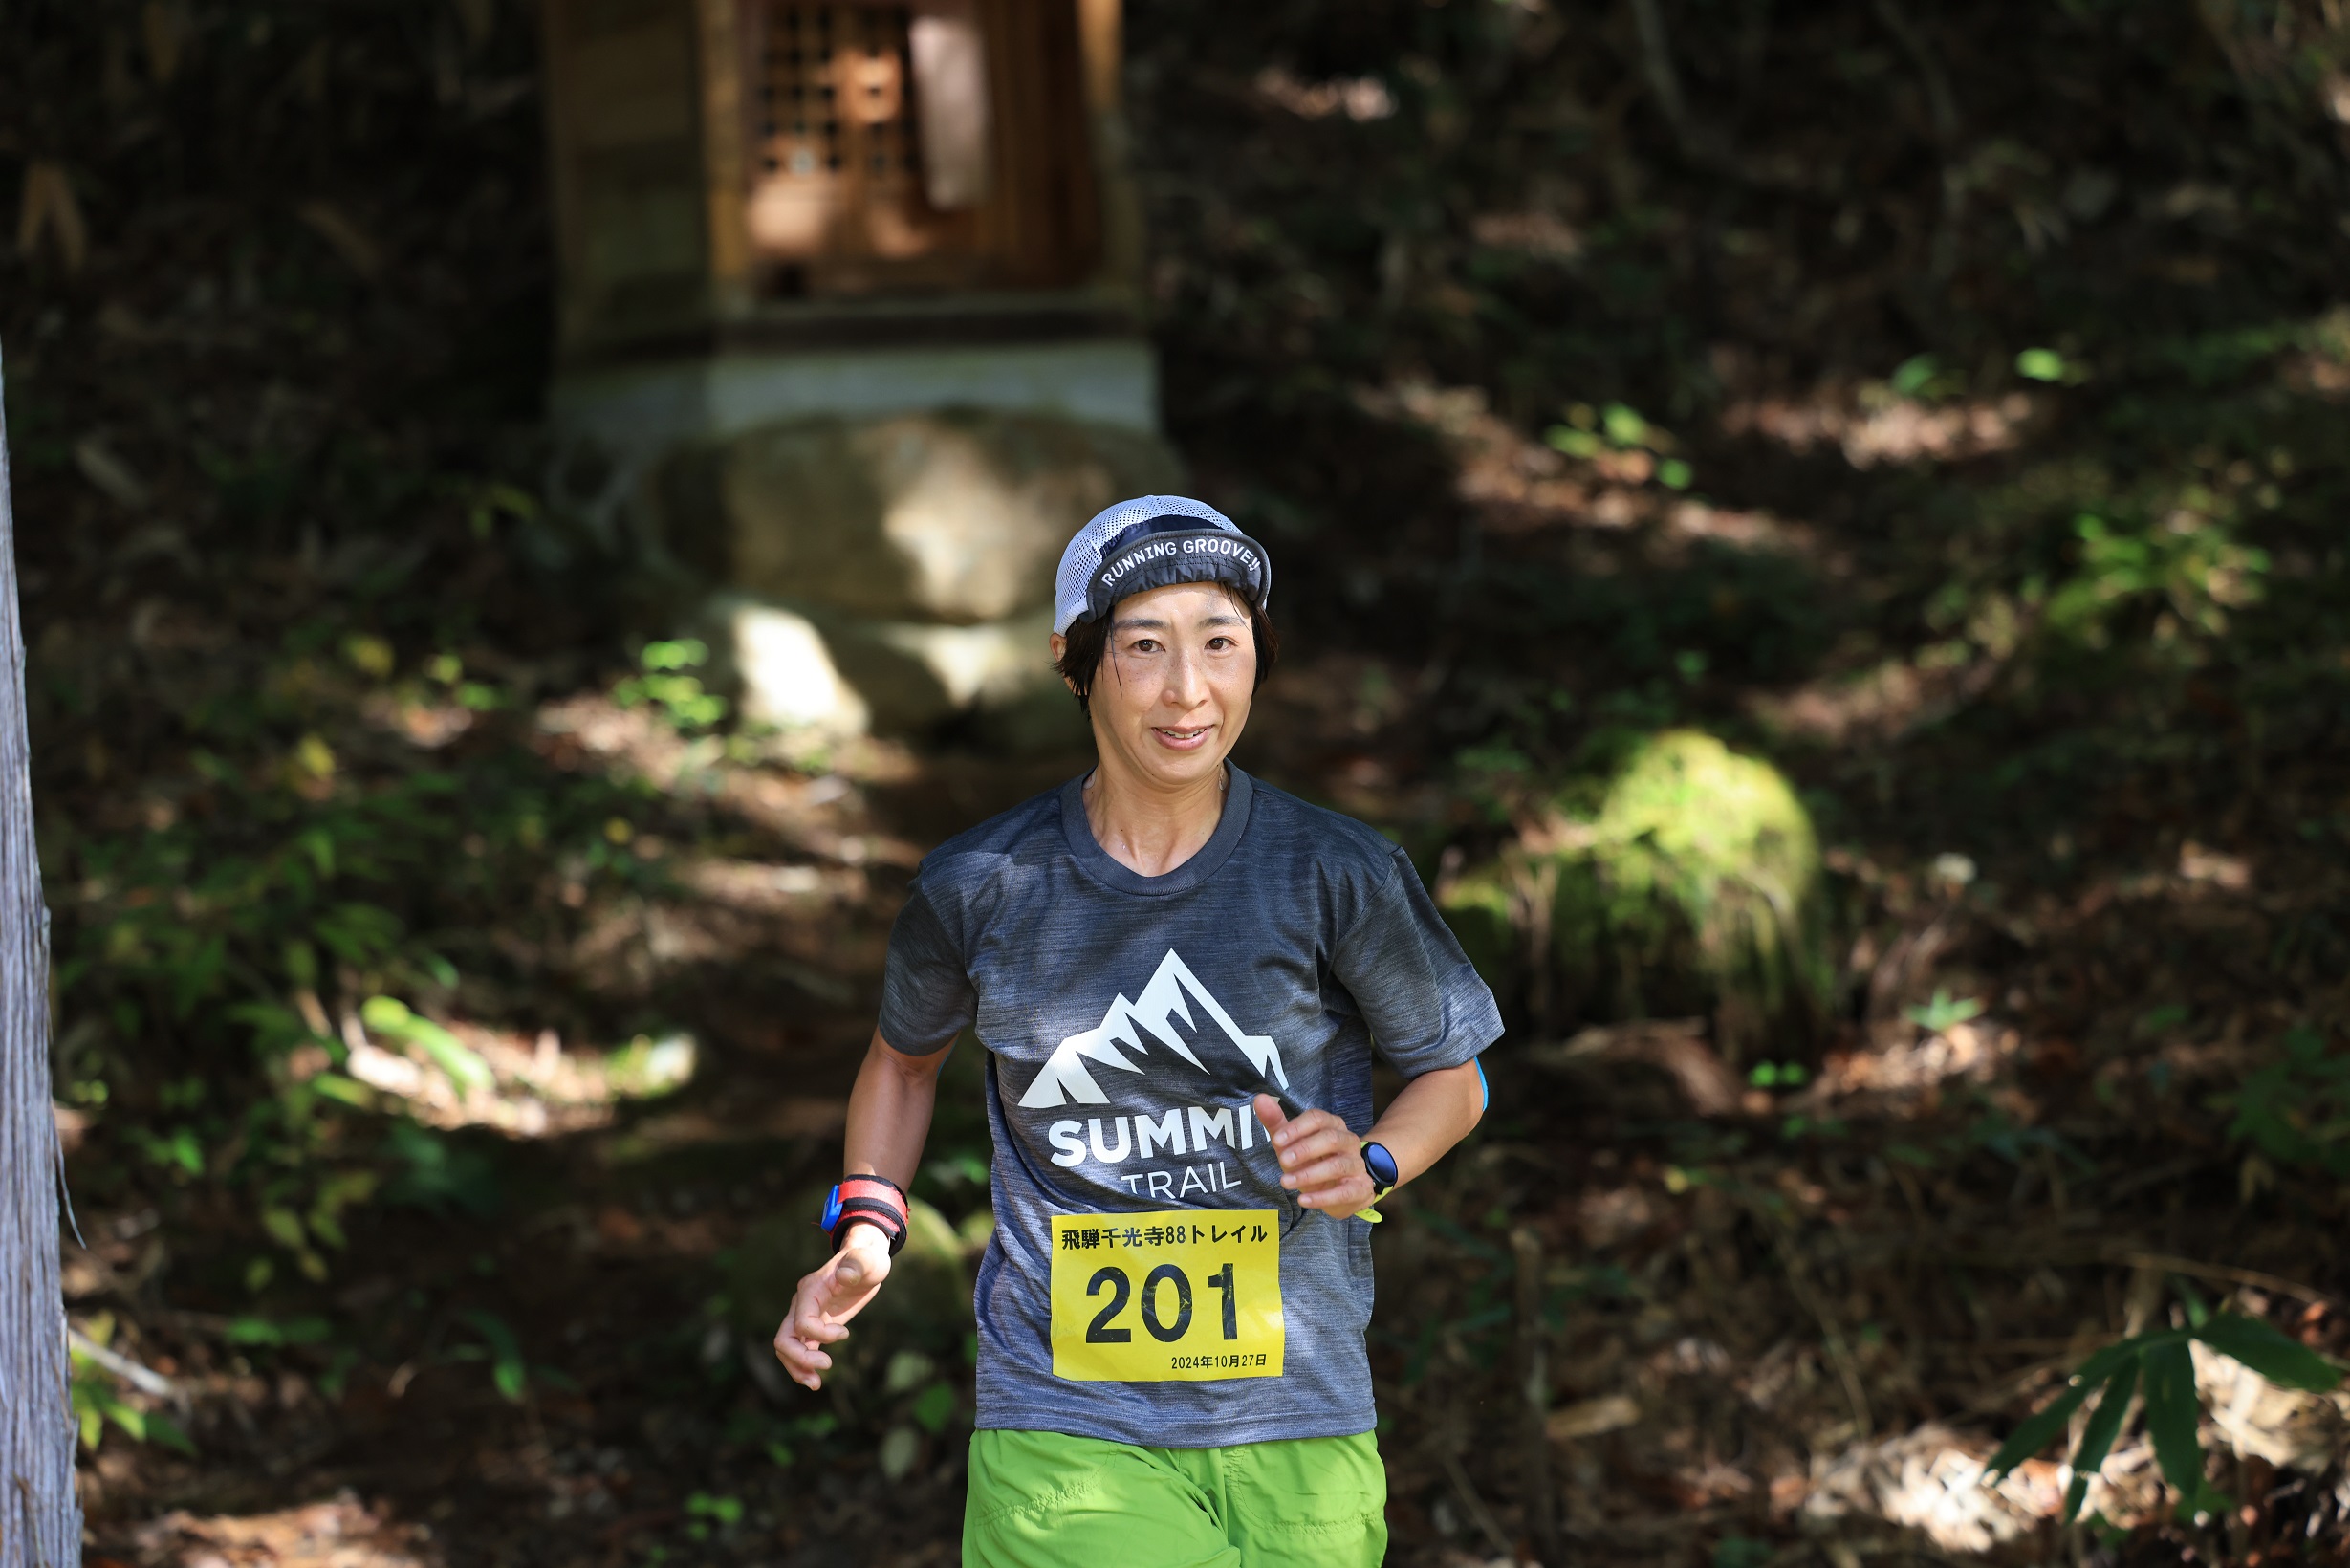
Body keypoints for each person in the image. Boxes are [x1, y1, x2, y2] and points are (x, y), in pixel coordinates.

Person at [774, 496, 1502, 1567]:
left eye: (1221, 641)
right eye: (1144, 646)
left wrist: (1374, 1161)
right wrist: (868, 1222)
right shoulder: (981, 883)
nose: (1187, 688)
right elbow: (903, 1060)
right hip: (1062, 1421)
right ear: (1074, 661)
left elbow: (1455, 1071)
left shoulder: (1335, 870)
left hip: (1301, 1418)